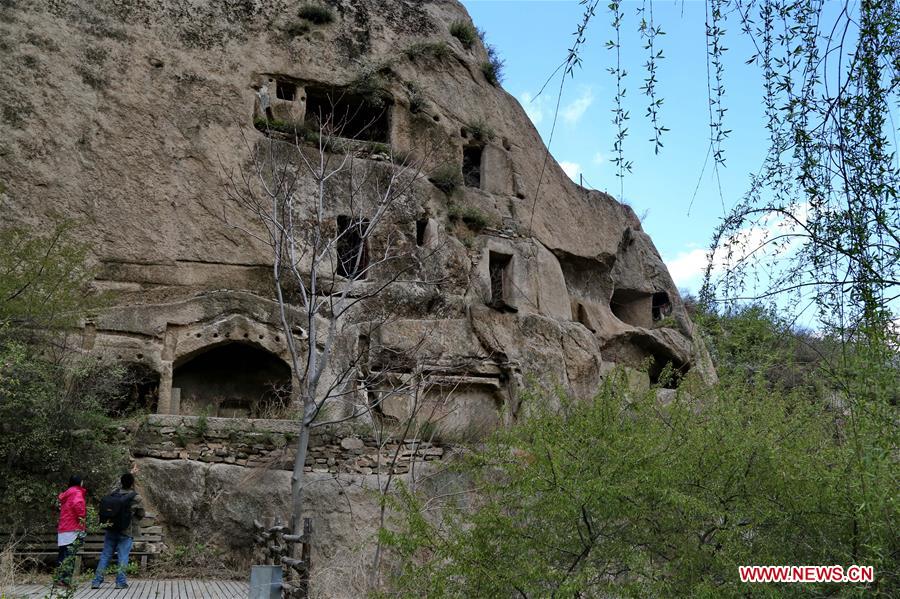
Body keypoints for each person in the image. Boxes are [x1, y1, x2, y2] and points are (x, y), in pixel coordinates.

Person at [91, 472, 145, 590]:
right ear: (132, 483)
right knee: (123, 556)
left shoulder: (112, 495)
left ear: (121, 482)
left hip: (111, 529)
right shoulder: (136, 498)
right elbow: (141, 514)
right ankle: (120, 582)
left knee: (105, 555)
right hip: (126, 531)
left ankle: (96, 581)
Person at [55, 475, 87, 588]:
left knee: (62, 555)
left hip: (63, 528)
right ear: (79, 482)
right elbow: (79, 507)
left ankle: (58, 579)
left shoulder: (66, 493)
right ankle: (65, 580)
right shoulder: (77, 493)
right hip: (73, 529)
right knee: (70, 556)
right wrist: (82, 518)